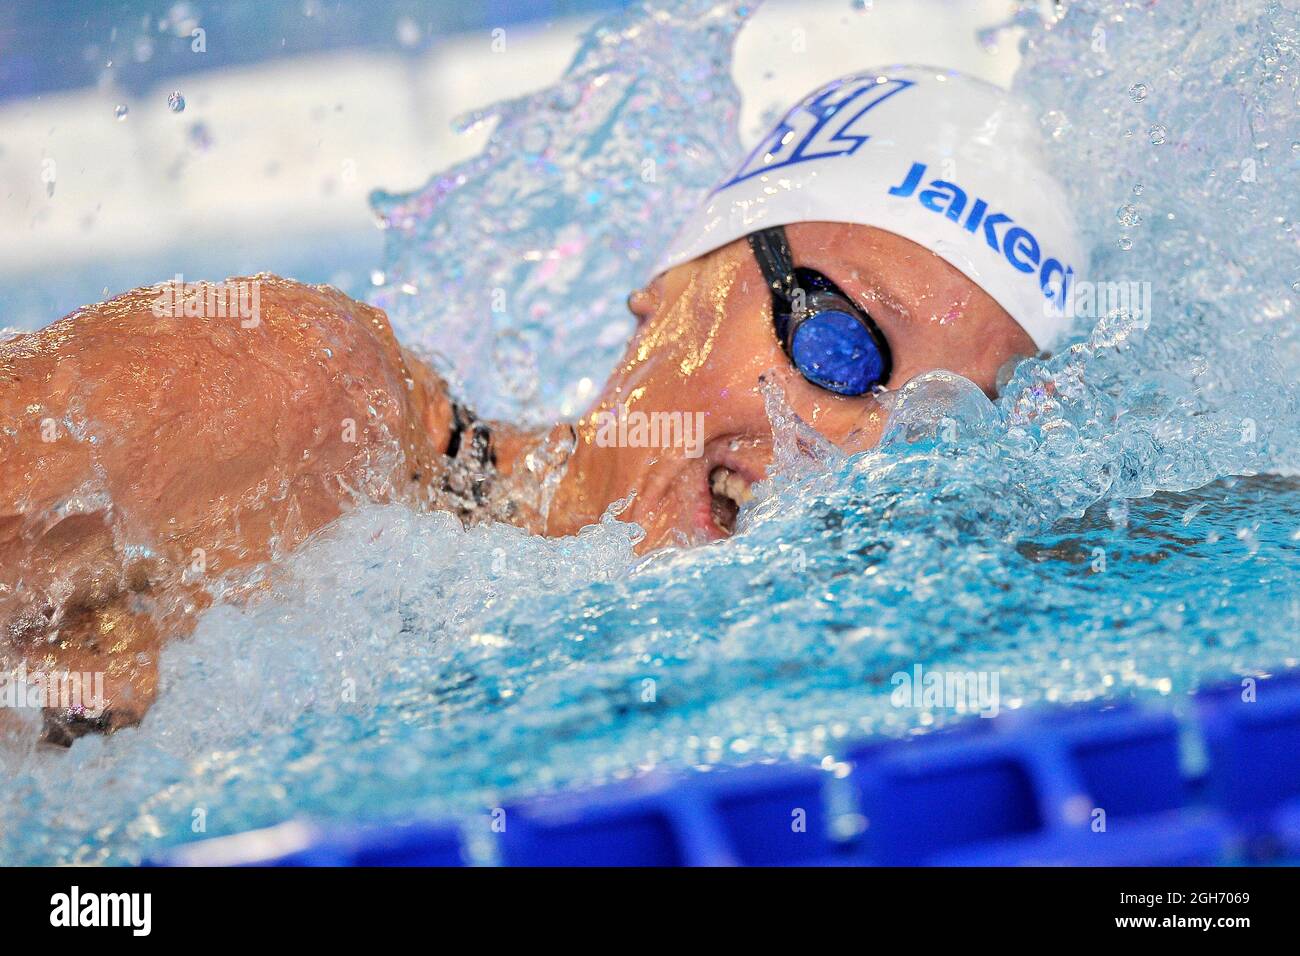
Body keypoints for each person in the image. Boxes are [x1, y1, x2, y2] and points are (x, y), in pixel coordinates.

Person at [0, 65, 1084, 741]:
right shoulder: (306, 398)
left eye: (932, 427)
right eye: (840, 345)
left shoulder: (724, 712)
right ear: (672, 284)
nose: (848, 443)